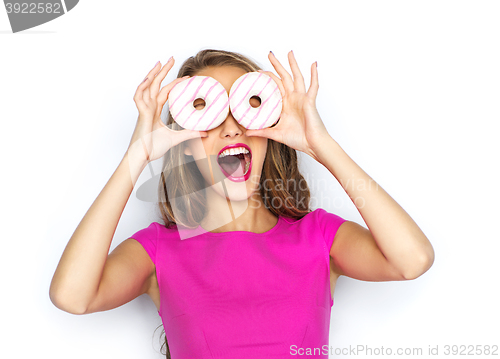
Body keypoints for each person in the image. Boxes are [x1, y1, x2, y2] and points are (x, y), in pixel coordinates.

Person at [49, 49, 435, 358]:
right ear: (185, 141)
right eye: (207, 112)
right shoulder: (158, 252)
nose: (231, 127)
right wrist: (137, 155)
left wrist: (324, 146)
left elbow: (412, 260)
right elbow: (72, 296)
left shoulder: (318, 237)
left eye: (247, 107)